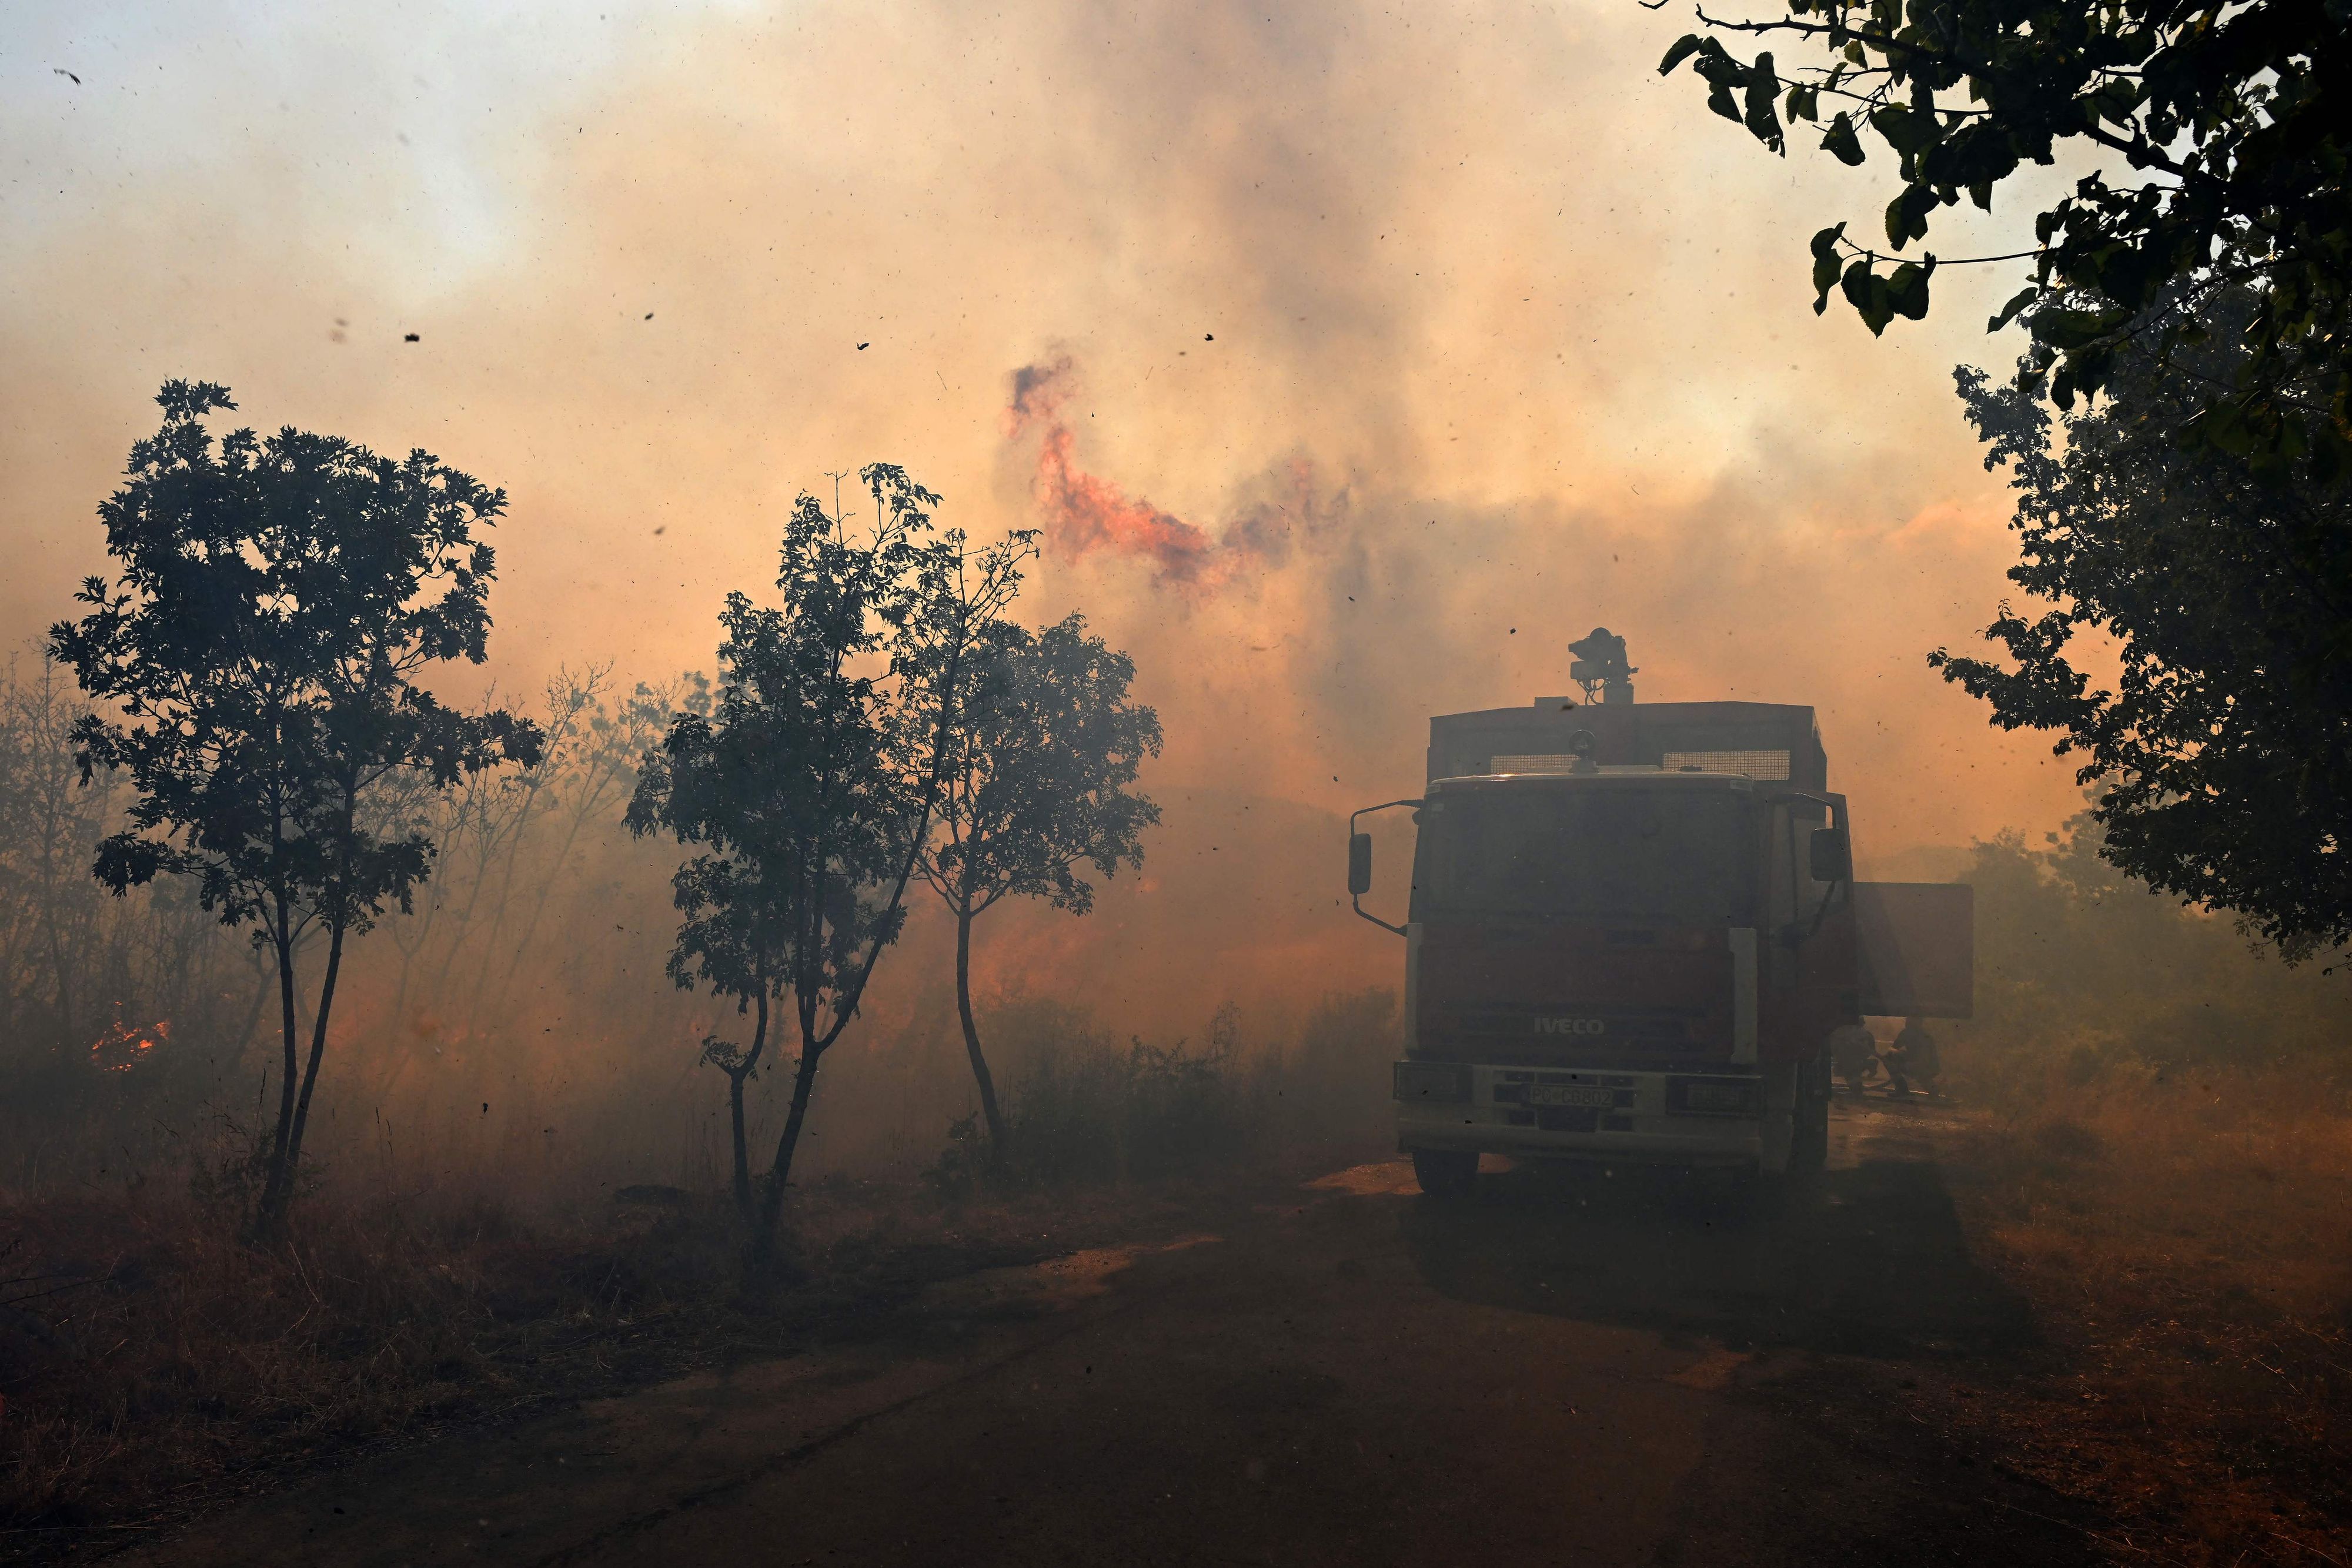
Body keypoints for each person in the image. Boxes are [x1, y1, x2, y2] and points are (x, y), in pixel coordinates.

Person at [1883, 1016, 1941, 1098]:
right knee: (1889, 1059)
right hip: (1917, 1063)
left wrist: (1909, 1065)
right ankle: (1902, 1088)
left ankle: (1932, 1090)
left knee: (1922, 1076)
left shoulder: (1924, 1037)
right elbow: (1894, 1048)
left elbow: (1925, 1059)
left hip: (1926, 1066)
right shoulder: (1907, 1034)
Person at [1828, 1017, 1879, 1098]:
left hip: (1850, 1057)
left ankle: (1857, 1090)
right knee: (1847, 1069)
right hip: (1856, 1057)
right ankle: (1867, 1064)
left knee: (1846, 1070)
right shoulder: (1864, 1033)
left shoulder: (1842, 1032)